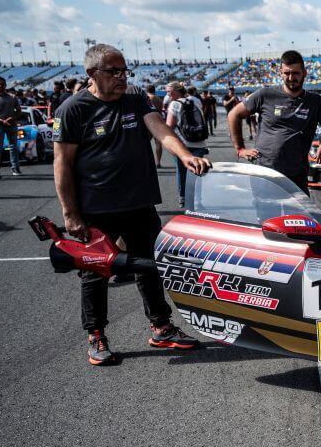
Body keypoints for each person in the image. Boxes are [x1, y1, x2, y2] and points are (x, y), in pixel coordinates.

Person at [53, 44, 210, 366]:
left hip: (139, 203)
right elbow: (62, 164)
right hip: (96, 208)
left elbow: (161, 130)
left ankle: (161, 327)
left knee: (149, 267)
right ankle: (96, 334)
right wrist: (70, 214)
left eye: (125, 70)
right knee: (95, 274)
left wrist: (185, 155)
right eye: (114, 72)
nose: (122, 77)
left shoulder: (136, 99)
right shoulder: (72, 109)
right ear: (92, 74)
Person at [227, 50, 321, 193]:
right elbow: (233, 114)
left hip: (297, 176)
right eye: (287, 73)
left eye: (295, 73)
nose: (291, 77)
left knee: (296, 216)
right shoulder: (265, 94)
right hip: (264, 172)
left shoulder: (315, 101)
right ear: (280, 73)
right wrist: (240, 149)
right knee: (266, 215)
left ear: (304, 73)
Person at [165, 83, 211, 207]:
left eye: (169, 91)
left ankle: (183, 197)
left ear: (176, 91)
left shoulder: (174, 104)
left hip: (183, 144)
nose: (167, 94)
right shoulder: (195, 101)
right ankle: (198, 199)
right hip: (199, 142)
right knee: (198, 172)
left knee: (181, 171)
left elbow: (169, 126)